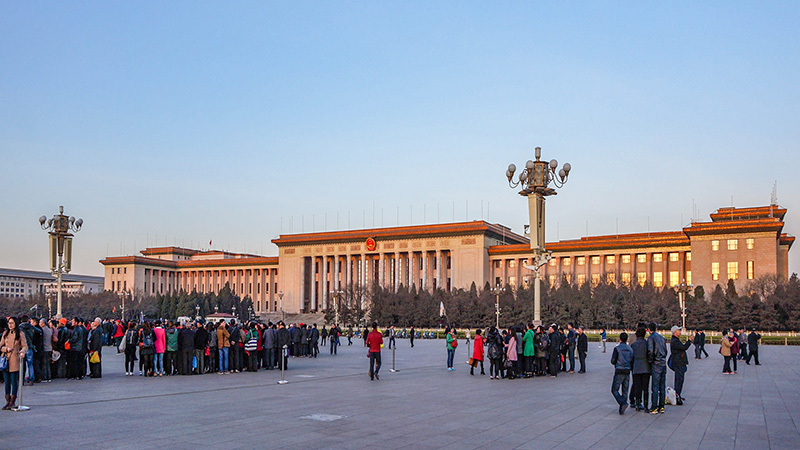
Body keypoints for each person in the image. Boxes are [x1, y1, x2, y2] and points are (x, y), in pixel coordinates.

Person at [1, 317, 29, 410]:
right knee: (6, 382)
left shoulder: (20, 333)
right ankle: (7, 400)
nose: (10, 325)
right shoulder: (5, 333)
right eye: (9, 323)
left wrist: (22, 352)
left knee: (14, 381)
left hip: (14, 359)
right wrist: (6, 349)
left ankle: (13, 401)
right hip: (5, 359)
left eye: (12, 323)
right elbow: (1, 346)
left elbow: (25, 346)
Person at [647, 322, 668, 414]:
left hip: (656, 363)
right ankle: (661, 406)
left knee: (655, 386)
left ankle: (654, 407)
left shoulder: (651, 338)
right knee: (662, 386)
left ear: (649, 329)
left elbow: (650, 351)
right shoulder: (662, 338)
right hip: (663, 363)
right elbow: (666, 351)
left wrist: (650, 361)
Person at [610, 332, 633, 415]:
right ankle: (622, 407)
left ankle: (622, 403)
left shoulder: (617, 349)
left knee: (614, 390)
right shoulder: (630, 349)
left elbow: (613, 361)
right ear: (627, 340)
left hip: (619, 370)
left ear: (619, 339)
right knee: (625, 390)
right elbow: (632, 360)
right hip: (627, 370)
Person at [669, 326, 692, 405]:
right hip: (678, 363)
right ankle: (677, 395)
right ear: (675, 332)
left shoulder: (676, 340)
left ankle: (678, 394)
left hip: (679, 362)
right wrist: (689, 341)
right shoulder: (675, 341)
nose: (680, 331)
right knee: (679, 380)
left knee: (679, 379)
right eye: (679, 330)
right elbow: (684, 347)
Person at [630, 327, 651, 412]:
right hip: (645, 367)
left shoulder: (634, 345)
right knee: (645, 388)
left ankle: (638, 404)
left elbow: (631, 357)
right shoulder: (647, 344)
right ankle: (646, 405)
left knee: (637, 387)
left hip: (636, 367)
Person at [39, 318, 53, 383]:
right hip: (49, 348)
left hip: (45, 348)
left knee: (44, 364)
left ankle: (44, 377)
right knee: (48, 364)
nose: (39, 324)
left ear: (43, 323)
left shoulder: (42, 330)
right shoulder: (49, 330)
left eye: (40, 323)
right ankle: (49, 377)